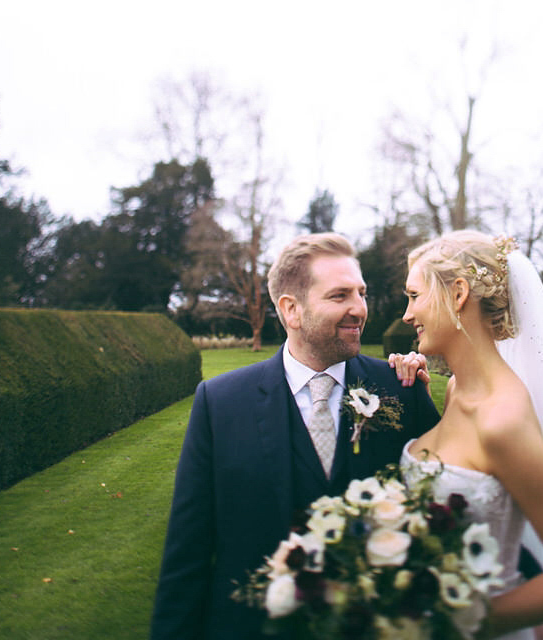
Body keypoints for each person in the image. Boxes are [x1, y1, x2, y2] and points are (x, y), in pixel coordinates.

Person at [150, 233, 440, 639]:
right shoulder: (220, 403)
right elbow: (188, 552)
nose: (360, 309)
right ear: (292, 310)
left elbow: (438, 514)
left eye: (362, 292)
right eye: (340, 296)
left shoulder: (400, 389)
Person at [396, 230, 543, 640]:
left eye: (413, 296)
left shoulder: (503, 420)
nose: (407, 314)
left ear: (458, 294)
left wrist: (452, 622)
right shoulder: (458, 390)